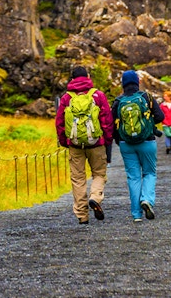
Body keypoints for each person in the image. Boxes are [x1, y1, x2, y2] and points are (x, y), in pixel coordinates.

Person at [55, 65, 113, 225]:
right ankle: (95, 197)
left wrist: (64, 141)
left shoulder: (66, 98)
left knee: (78, 179)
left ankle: (82, 215)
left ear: (72, 79)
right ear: (87, 77)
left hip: (74, 144)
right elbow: (107, 120)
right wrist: (107, 140)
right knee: (99, 174)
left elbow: (59, 122)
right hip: (96, 143)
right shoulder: (98, 95)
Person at [112, 70, 164, 222]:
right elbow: (160, 116)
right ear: (138, 82)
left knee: (133, 177)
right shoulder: (146, 97)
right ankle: (147, 200)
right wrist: (148, 125)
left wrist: (117, 139)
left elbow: (111, 124)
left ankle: (136, 215)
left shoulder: (118, 101)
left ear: (123, 84)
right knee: (149, 173)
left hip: (126, 144)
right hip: (147, 141)